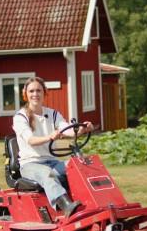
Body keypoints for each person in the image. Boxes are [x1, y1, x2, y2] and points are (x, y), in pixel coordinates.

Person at [12, 77, 94, 218]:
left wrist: (82, 130)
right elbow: (30, 140)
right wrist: (49, 136)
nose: (35, 94)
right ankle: (66, 206)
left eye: (38, 90)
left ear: (44, 92)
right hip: (30, 164)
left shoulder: (53, 114)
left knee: (79, 165)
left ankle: (93, 203)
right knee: (46, 174)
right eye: (31, 91)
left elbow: (66, 130)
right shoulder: (20, 117)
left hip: (52, 161)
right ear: (25, 94)